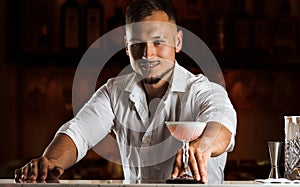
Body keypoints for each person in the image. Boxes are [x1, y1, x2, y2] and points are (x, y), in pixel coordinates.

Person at [14, 0, 236, 184]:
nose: (148, 54)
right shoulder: (113, 92)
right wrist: (49, 162)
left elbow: (222, 127)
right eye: (138, 44)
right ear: (127, 46)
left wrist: (202, 147)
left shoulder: (204, 90)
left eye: (158, 42)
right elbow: (79, 132)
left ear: (177, 41)